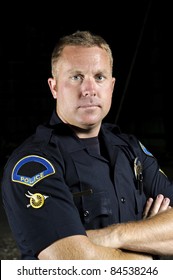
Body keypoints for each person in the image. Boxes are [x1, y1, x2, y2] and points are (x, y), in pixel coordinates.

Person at [1, 30, 173, 260]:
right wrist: (149, 252)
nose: (89, 89)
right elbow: (72, 263)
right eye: (76, 77)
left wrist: (116, 235)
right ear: (54, 87)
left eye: (99, 77)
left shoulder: (131, 150)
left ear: (111, 86)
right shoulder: (33, 165)